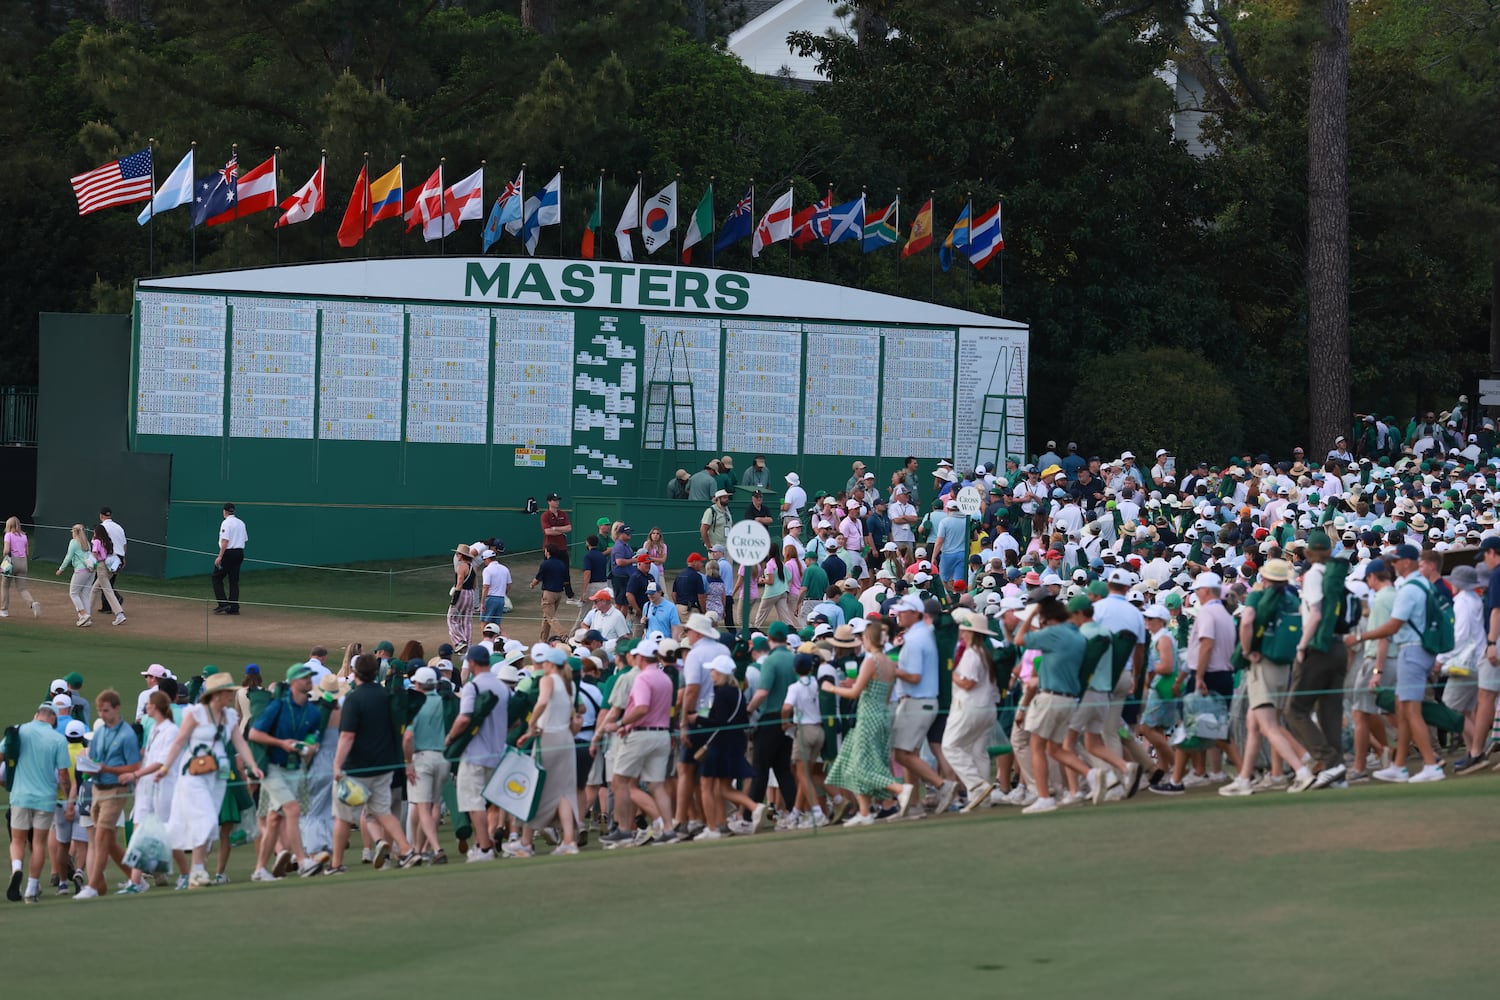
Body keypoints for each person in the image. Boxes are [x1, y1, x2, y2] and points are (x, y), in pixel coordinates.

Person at [1352, 546, 1447, 783]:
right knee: (1404, 711)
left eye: (1396, 561)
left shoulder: (1408, 588)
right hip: (1417, 650)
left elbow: (1392, 627)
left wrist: (1361, 637)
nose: (1392, 565)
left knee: (1411, 712)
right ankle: (1399, 765)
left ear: (1407, 562)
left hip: (1411, 650)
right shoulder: (1419, 584)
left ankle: (1430, 764)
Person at [159, 673, 262, 888]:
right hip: (194, 774)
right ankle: (197, 870)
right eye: (227, 693)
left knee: (210, 823)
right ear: (216, 694)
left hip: (218, 775)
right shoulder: (195, 713)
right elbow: (179, 742)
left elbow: (240, 743)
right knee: (205, 818)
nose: (230, 696)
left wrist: (253, 765)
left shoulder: (230, 716)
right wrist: (166, 767)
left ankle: (198, 871)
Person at [329, 654, 419, 872]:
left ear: (356, 673)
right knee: (383, 812)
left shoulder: (353, 698)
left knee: (342, 817)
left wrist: (337, 764)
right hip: (384, 765)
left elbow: (347, 736)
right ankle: (406, 850)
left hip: (357, 767)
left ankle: (336, 864)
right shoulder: (386, 694)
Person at [822, 620, 914, 824]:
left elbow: (855, 692)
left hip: (867, 716)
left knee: (863, 765)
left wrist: (832, 689)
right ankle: (864, 812)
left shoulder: (871, 661)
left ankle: (900, 789)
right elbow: (885, 691)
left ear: (868, 639)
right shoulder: (889, 662)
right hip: (881, 713)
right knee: (856, 760)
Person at [248, 664, 330, 881]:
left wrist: (309, 747)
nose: (309, 680)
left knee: (275, 818)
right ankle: (303, 861)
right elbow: (255, 734)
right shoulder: (278, 706)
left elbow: (313, 736)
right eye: (304, 678)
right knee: (292, 809)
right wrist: (281, 743)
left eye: (310, 677)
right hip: (272, 768)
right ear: (293, 682)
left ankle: (259, 870)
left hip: (294, 768)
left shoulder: (312, 711)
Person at [602, 639, 678, 846]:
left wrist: (619, 723)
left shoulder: (643, 678)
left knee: (620, 782)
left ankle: (625, 830)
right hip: (662, 734)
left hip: (641, 734)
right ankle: (668, 829)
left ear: (640, 657)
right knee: (656, 785)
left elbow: (642, 708)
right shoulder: (665, 677)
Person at [889, 595, 960, 815]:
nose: (898, 615)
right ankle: (913, 805)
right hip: (923, 701)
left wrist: (891, 670)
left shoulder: (914, 639)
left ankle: (941, 786)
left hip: (917, 701)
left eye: (902, 611)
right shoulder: (922, 634)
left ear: (915, 613)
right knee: (909, 753)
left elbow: (914, 677)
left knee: (902, 754)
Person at [445, 646, 510, 862]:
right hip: (497, 752)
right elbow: (513, 720)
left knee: (473, 803)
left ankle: (484, 848)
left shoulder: (473, 686)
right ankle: (483, 843)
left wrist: (450, 738)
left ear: (472, 663)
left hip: (475, 753)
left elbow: (464, 718)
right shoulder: (502, 687)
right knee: (489, 803)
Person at [118, 691, 185, 893]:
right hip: (146, 788)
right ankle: (136, 882)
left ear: (155, 707)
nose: (146, 707)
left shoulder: (170, 730)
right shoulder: (154, 728)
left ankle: (186, 873)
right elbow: (149, 758)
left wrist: (135, 774)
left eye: (148, 704)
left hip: (163, 787)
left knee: (168, 834)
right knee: (139, 834)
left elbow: (162, 761)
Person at [74, 689, 139, 898]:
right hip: (96, 788)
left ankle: (92, 886)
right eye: (99, 711)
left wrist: (107, 769)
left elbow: (134, 765)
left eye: (106, 710)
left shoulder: (127, 734)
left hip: (115, 789)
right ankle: (136, 879)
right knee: (108, 841)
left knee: (101, 836)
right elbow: (93, 759)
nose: (102, 714)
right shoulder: (101, 731)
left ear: (117, 708)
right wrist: (88, 765)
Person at [517, 647, 581, 856]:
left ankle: (526, 843)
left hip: (549, 739)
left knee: (536, 788)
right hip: (564, 739)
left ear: (550, 664)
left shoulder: (549, 680)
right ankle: (569, 840)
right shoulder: (567, 684)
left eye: (544, 662)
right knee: (562, 791)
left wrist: (531, 723)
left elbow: (543, 702)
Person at [7, 700, 72, 904]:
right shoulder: (58, 739)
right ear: (52, 718)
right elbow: (63, 774)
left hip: (20, 795)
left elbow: (3, 754)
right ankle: (31, 888)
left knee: (17, 840)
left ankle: (17, 868)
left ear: (38, 715)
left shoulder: (20, 731)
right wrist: (69, 794)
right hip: (45, 798)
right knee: (38, 843)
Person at [944, 611, 1002, 808]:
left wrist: (951, 675)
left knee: (950, 746)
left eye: (965, 629)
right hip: (986, 707)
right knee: (978, 751)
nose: (961, 632)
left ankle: (976, 786)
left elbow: (967, 683)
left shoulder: (971, 653)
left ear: (971, 632)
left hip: (970, 707)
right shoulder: (983, 652)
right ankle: (981, 799)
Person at [698, 655, 757, 837]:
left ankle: (713, 827)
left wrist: (698, 718)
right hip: (733, 742)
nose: (711, 674)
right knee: (722, 787)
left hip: (720, 744)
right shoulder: (737, 692)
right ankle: (731, 818)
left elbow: (718, 721)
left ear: (721, 673)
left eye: (713, 671)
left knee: (707, 784)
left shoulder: (722, 693)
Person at [401, 666, 449, 863]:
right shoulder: (443, 701)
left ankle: (436, 848)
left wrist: (407, 762)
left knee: (422, 808)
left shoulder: (414, 704)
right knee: (431, 807)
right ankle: (419, 850)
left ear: (418, 684)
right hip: (442, 757)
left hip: (422, 758)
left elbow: (408, 737)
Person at [212, 502, 248, 615]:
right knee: (233, 580)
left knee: (216, 577)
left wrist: (220, 556)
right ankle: (233, 607)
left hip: (228, 553)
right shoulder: (241, 523)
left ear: (225, 511)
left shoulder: (226, 523)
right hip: (239, 552)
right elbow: (245, 539)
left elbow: (225, 541)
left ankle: (223, 604)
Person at [1, 516, 40, 619]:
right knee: (22, 588)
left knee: (5, 586)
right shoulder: (24, 536)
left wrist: (4, 557)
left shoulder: (8, 535)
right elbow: (27, 552)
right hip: (23, 563)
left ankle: (4, 610)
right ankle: (32, 603)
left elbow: (6, 550)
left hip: (11, 562)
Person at [55, 523, 94, 626]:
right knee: (85, 594)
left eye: (72, 531)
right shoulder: (87, 542)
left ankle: (83, 614)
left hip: (81, 570)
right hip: (91, 571)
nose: (71, 533)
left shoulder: (73, 542)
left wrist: (61, 569)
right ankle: (87, 618)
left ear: (75, 532)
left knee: (73, 593)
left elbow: (68, 557)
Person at [88, 523, 126, 626]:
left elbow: (95, 554)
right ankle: (87, 613)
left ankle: (119, 614)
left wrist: (90, 563)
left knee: (108, 591)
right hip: (109, 567)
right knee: (94, 589)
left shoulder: (96, 541)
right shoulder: (107, 541)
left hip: (102, 567)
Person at [531, 546, 569, 641]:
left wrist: (532, 585)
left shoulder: (545, 564)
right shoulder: (562, 564)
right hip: (559, 593)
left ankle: (563, 635)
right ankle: (543, 640)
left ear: (548, 552)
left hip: (549, 594)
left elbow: (537, 579)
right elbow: (566, 581)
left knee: (550, 617)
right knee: (546, 617)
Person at [449, 543, 477, 653]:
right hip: (470, 594)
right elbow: (475, 585)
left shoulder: (461, 567)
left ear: (461, 555)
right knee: (467, 621)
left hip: (461, 593)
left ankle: (460, 641)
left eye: (457, 553)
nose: (457, 555)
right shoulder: (473, 568)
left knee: (451, 618)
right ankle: (468, 646)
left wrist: (454, 601)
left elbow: (459, 583)